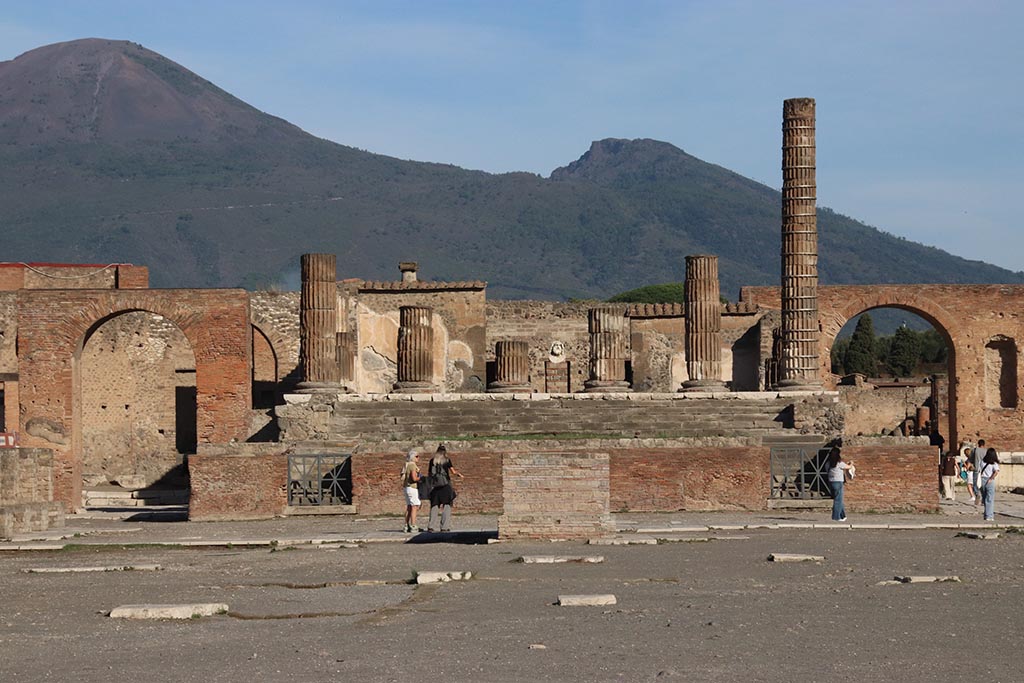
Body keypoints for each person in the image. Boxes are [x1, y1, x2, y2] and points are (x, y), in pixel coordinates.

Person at [427, 444, 464, 532]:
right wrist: (459, 474)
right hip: (445, 485)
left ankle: (431, 526)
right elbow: (453, 472)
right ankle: (444, 527)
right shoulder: (446, 460)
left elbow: (429, 474)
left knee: (434, 505)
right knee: (447, 505)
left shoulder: (432, 461)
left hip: (435, 486)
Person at [826, 447, 855, 522]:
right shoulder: (839, 463)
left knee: (839, 499)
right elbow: (848, 467)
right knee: (838, 500)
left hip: (831, 482)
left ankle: (843, 516)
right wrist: (851, 463)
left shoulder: (828, 463)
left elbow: (827, 471)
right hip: (838, 482)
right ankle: (836, 517)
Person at [400, 450, 422, 533]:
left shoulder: (407, 464)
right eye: (417, 456)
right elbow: (414, 478)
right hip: (412, 488)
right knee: (414, 506)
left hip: (406, 487)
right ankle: (413, 525)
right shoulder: (412, 465)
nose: (418, 458)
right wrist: (421, 478)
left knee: (409, 506)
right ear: (413, 457)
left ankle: (406, 525)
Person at [979, 448, 1000, 522]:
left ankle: (986, 514)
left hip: (982, 479)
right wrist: (991, 478)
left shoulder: (982, 462)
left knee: (985, 499)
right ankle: (989, 515)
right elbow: (996, 472)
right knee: (990, 499)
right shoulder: (994, 463)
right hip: (990, 480)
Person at [972, 439, 988, 505]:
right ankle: (984, 499)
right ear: (984, 444)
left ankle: (977, 493)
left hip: (976, 469)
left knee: (975, 484)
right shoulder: (987, 451)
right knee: (983, 485)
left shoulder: (975, 450)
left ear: (978, 444)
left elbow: (970, 458)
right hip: (984, 469)